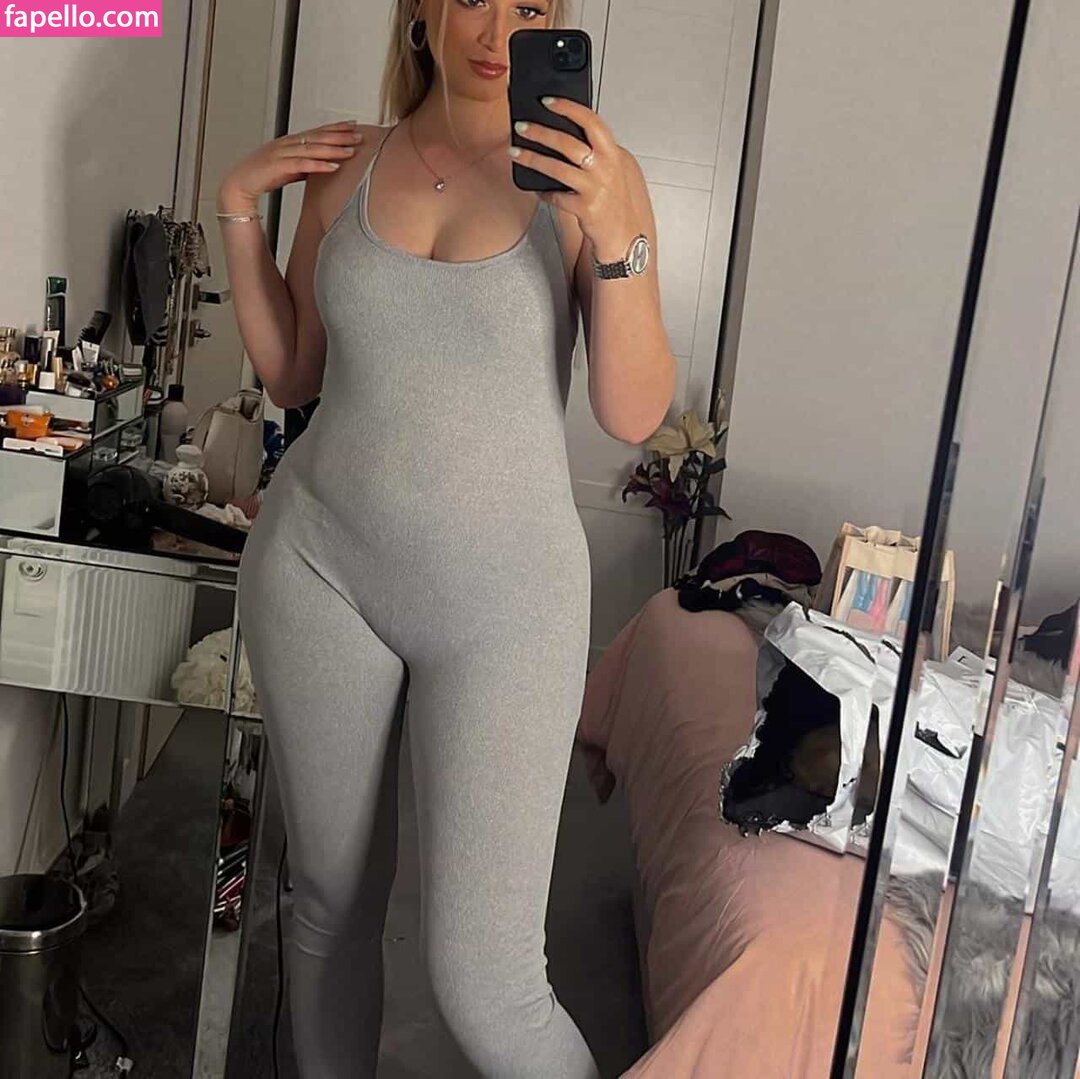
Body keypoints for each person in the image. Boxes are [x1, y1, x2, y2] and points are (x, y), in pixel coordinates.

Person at [217, 0, 675, 1074]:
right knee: (327, 906)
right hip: (320, 570)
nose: (498, 30)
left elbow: (632, 411)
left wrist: (621, 235)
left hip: (507, 602)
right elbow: (293, 374)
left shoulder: (588, 182)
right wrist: (238, 207)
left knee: (487, 980)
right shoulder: (349, 169)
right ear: (424, 8)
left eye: (532, 8)